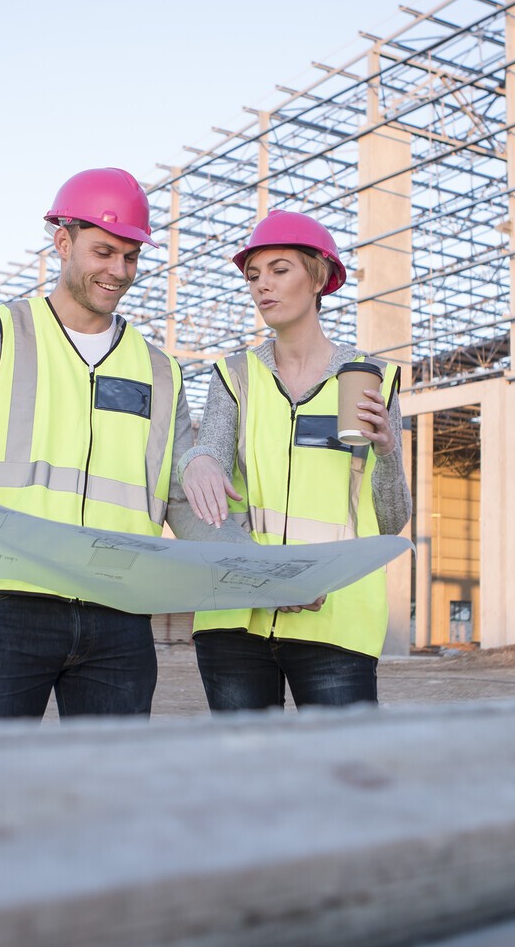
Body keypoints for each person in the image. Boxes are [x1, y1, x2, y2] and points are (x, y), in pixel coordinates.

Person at [0, 167, 243, 722]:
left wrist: (256, 569)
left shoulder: (160, 371)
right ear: (63, 242)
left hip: (120, 613)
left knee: (104, 793)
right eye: (104, 252)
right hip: (9, 608)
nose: (119, 271)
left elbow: (184, 499)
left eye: (131, 257)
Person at [180, 209, 412, 711]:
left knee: (337, 780)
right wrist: (194, 458)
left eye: (280, 269)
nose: (263, 285)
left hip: (336, 620)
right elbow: (209, 468)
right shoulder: (234, 376)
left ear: (320, 278)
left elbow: (391, 521)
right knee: (248, 777)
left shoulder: (371, 380)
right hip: (235, 617)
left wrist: (388, 452)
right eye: (253, 275)